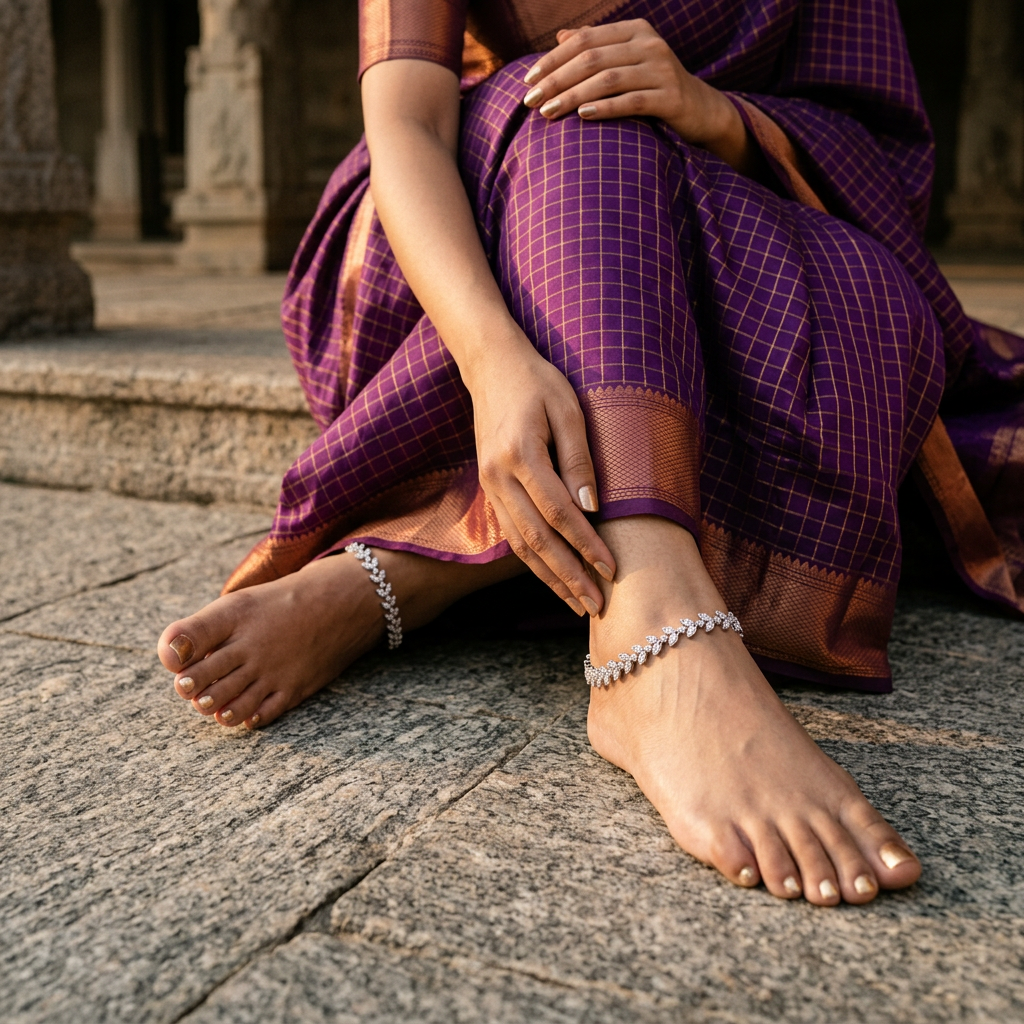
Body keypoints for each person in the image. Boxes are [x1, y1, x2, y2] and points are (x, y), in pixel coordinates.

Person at [157, 0, 1024, 907]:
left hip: (716, 212)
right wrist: (492, 361)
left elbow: (877, 144)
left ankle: (421, 570)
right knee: (577, 108)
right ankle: (653, 623)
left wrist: (712, 110)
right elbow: (408, 123)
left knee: (871, 306)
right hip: (452, 247)